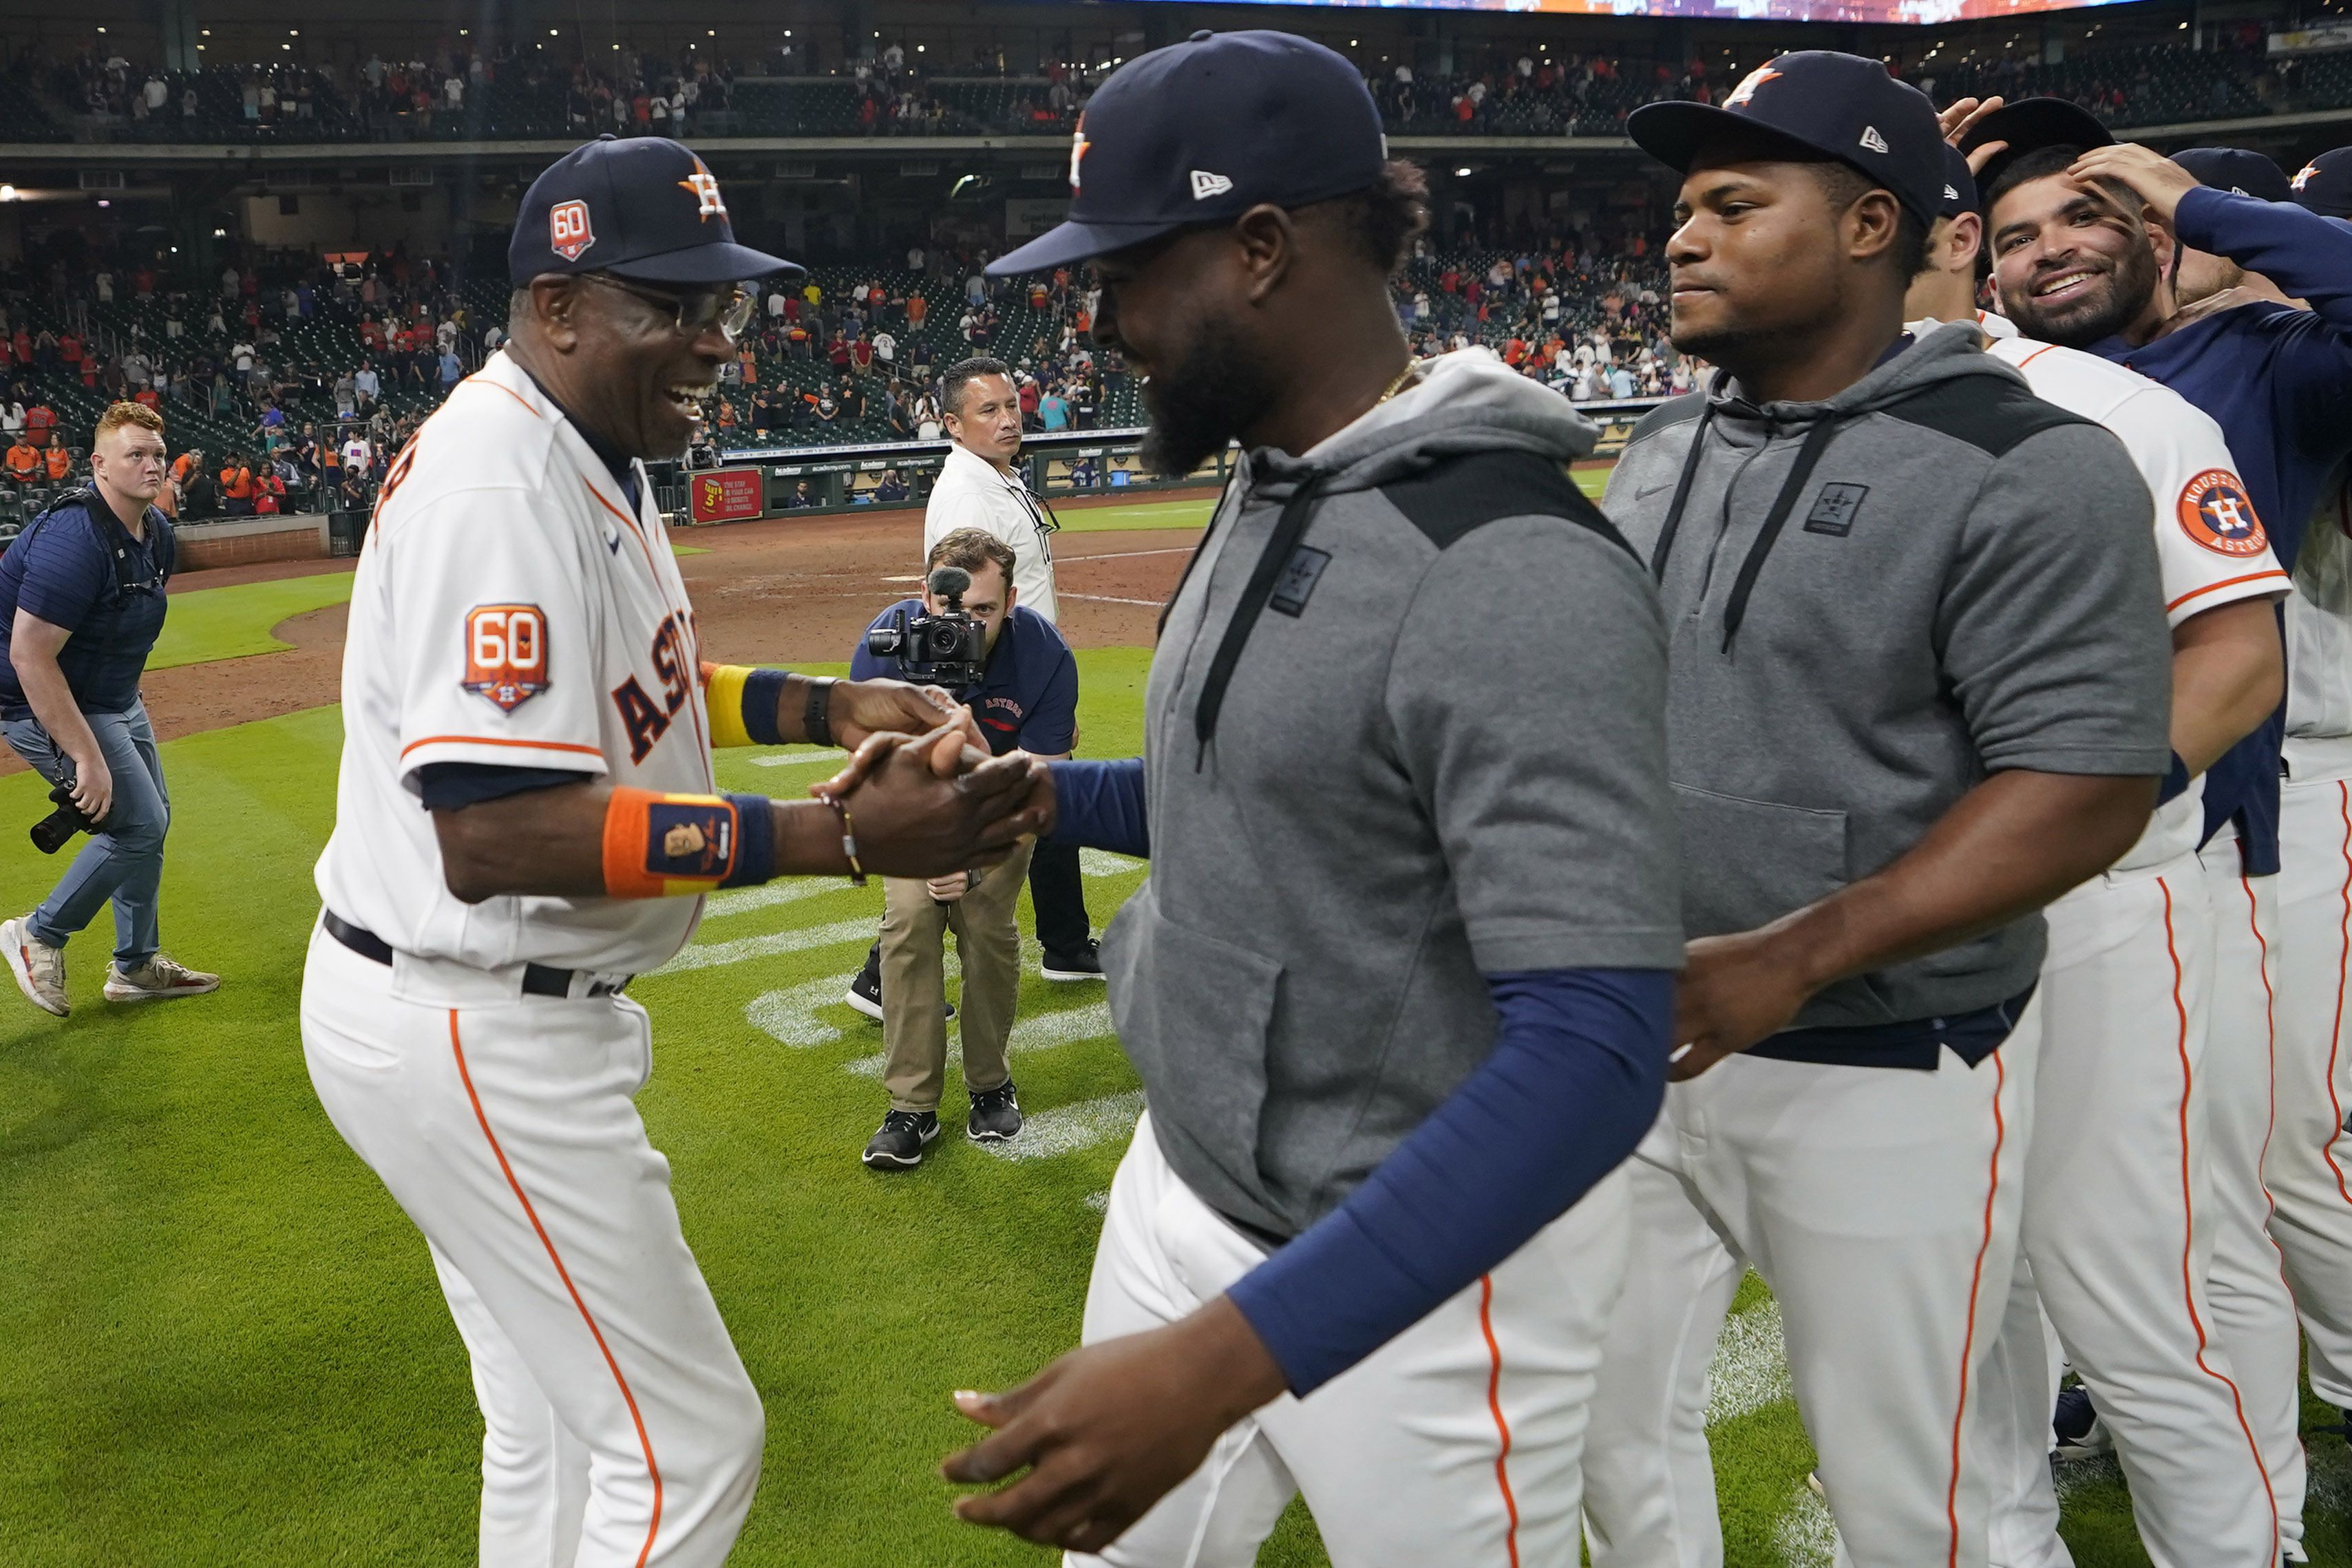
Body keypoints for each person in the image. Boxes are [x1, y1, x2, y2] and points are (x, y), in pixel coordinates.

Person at [937, 32, 1682, 1564]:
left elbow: (1599, 1043)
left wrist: (1225, 1355)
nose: (1100, 323)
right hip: (1189, 1178)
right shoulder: (1274, 475)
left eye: (1128, 272)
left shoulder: (1509, 559)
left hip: (1433, 1283)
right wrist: (1028, 792)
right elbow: (1267, 796)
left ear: (1259, 249)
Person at [299, 138, 1044, 1568]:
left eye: (729, 308)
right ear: (562, 304)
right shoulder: (499, 482)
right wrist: (829, 832)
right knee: (687, 1442)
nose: (716, 339)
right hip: (473, 1015)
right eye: (676, 305)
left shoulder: (583, 441)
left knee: (547, 1418)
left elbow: (636, 691)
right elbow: (492, 829)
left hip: (454, 1007)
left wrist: (821, 705)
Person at [1576, 54, 2174, 1568]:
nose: (1678, 235)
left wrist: (1801, 948)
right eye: (1680, 206)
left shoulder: (2028, 459)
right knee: (1605, 1439)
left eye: (1729, 202)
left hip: (1883, 1057)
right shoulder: (1660, 443)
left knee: (1921, 1502)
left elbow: (2086, 781)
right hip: (1634, 1036)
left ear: (1867, 226)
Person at [1967, 97, 2352, 1551]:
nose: (2049, 248)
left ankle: (2249, 1495)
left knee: (2213, 1208)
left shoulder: (2245, 360)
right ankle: (2119, 1417)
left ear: (2148, 236)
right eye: (2012, 232)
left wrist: (2195, 202)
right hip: (2007, 862)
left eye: (2084, 215)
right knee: (2031, 1225)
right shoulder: (1996, 382)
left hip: (2198, 844)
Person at [848, 529, 1077, 1168]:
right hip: (908, 808)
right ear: (925, 594)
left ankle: (989, 1083)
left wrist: (971, 859)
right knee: (911, 919)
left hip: (1003, 807)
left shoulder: (1043, 652)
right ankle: (911, 1108)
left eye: (983, 610)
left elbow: (1039, 776)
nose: (966, 624)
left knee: (985, 920)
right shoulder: (887, 642)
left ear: (1011, 601)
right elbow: (873, 769)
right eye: (952, 608)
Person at [0, 403, 216, 1016]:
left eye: (157, 454)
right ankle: (37, 935)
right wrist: (85, 757)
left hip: (115, 698)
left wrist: (123, 711)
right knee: (138, 825)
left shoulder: (156, 533)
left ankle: (135, 965)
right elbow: (31, 657)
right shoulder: (75, 540)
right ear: (98, 463)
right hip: (48, 703)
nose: (152, 466)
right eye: (135, 455)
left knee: (152, 822)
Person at [915, 354, 1100, 983]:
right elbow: (963, 607)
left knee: (1045, 803)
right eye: (987, 410)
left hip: (1029, 670)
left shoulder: (997, 477)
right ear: (953, 423)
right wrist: (988, 699)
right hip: (996, 678)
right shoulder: (968, 492)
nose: (1006, 420)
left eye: (1011, 407)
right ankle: (884, 973)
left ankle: (1066, 941)